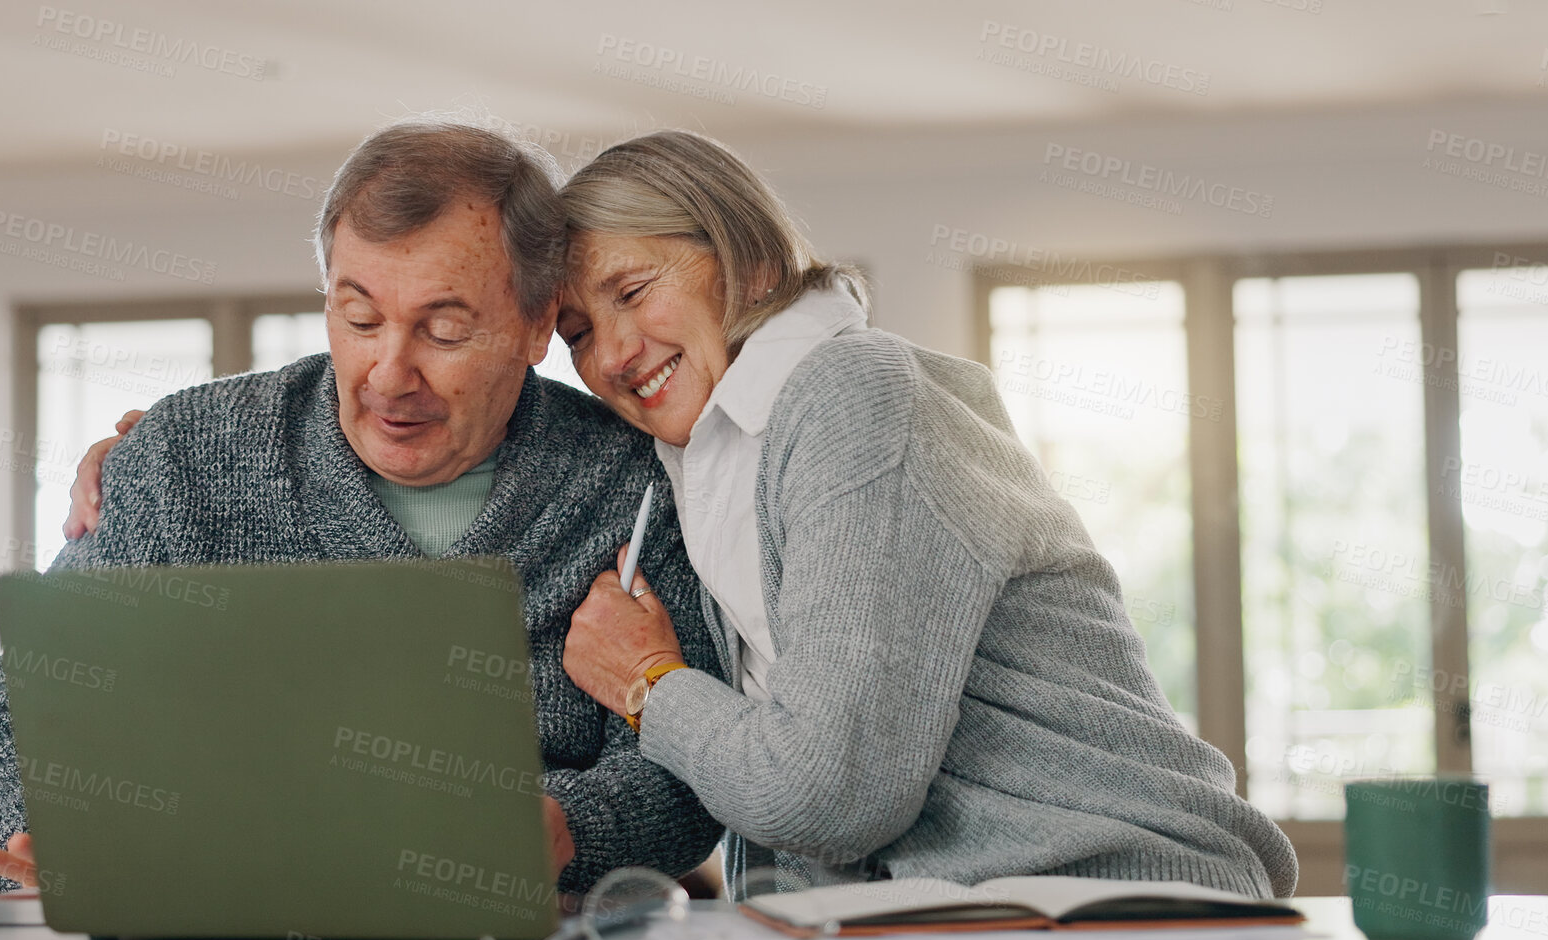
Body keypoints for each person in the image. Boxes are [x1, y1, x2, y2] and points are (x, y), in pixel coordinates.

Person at [0, 119, 725, 895]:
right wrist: (49, 841)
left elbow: (684, 782)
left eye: (445, 331)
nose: (389, 375)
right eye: (359, 320)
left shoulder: (633, 482)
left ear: (535, 324)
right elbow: (14, 720)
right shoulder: (183, 455)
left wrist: (564, 828)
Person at [552, 130, 1298, 898]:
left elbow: (830, 795)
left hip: (1108, 900)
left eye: (633, 292)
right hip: (964, 925)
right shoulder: (706, 461)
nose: (609, 357)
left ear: (750, 262)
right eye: (575, 335)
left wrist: (648, 682)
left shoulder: (848, 391)